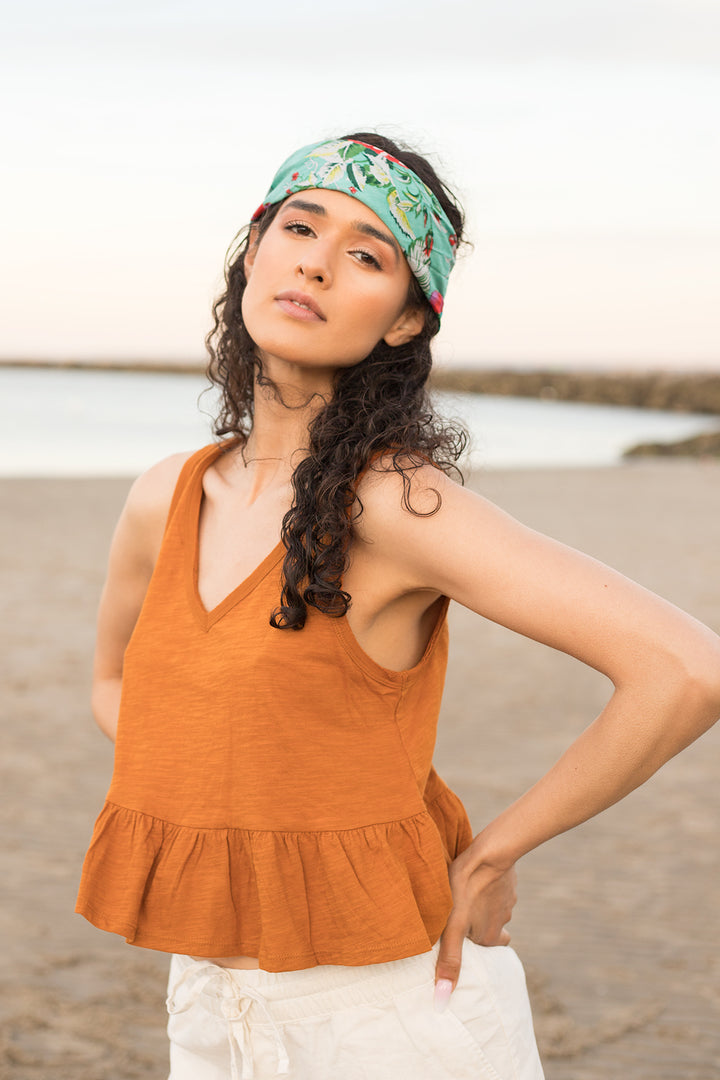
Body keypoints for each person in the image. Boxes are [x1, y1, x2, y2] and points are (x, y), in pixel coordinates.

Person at [76, 133, 720, 1080]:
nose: (318, 261)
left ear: (406, 322)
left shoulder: (393, 505)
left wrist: (492, 856)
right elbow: (115, 683)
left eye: (369, 254)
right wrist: (230, 788)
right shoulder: (162, 495)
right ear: (254, 253)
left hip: (384, 1011)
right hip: (208, 997)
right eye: (300, 226)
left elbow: (685, 670)